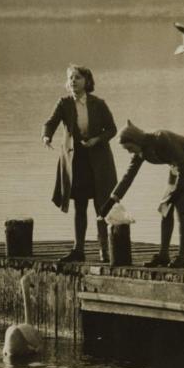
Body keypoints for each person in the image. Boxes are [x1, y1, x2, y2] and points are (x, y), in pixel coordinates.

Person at [99, 121, 184, 268]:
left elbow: (183, 163)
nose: (130, 152)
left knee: (182, 207)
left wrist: (179, 190)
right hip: (177, 169)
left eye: (130, 148)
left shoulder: (161, 138)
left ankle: (183, 257)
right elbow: (128, 177)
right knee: (164, 208)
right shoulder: (140, 152)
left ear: (137, 140)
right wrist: (111, 201)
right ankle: (163, 255)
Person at [42, 65, 119, 263]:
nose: (73, 81)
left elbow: (112, 129)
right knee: (80, 206)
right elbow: (51, 122)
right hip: (77, 161)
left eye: (77, 77)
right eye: (70, 78)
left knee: (102, 206)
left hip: (99, 160)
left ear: (87, 81)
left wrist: (97, 140)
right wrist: (46, 136)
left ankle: (105, 250)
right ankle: (79, 250)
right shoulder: (64, 103)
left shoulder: (98, 103)